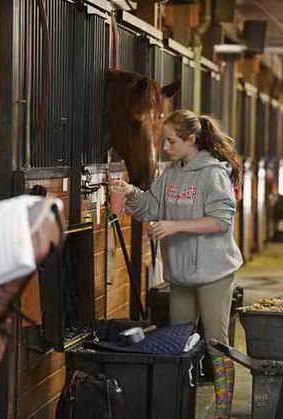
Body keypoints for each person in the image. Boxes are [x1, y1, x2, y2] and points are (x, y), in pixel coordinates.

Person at [110, 109, 243, 419]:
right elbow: (149, 207)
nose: (165, 148)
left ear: (191, 140)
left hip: (214, 272)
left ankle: (222, 411)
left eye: (170, 141)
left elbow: (221, 221)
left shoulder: (213, 173)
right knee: (179, 343)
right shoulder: (170, 173)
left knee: (215, 341)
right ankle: (182, 405)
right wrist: (131, 193)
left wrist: (175, 226)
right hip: (181, 273)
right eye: (164, 141)